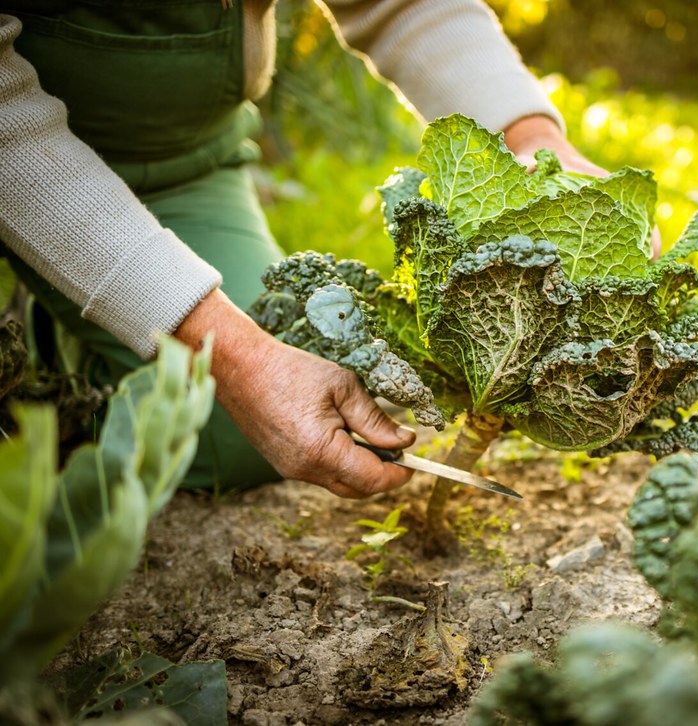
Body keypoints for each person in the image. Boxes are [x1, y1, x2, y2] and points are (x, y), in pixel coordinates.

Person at [0, 0, 611, 498]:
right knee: (230, 390)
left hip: (184, 165)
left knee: (239, 438)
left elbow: (401, 3)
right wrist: (238, 357)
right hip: (20, 165)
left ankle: (66, 324)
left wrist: (528, 134)